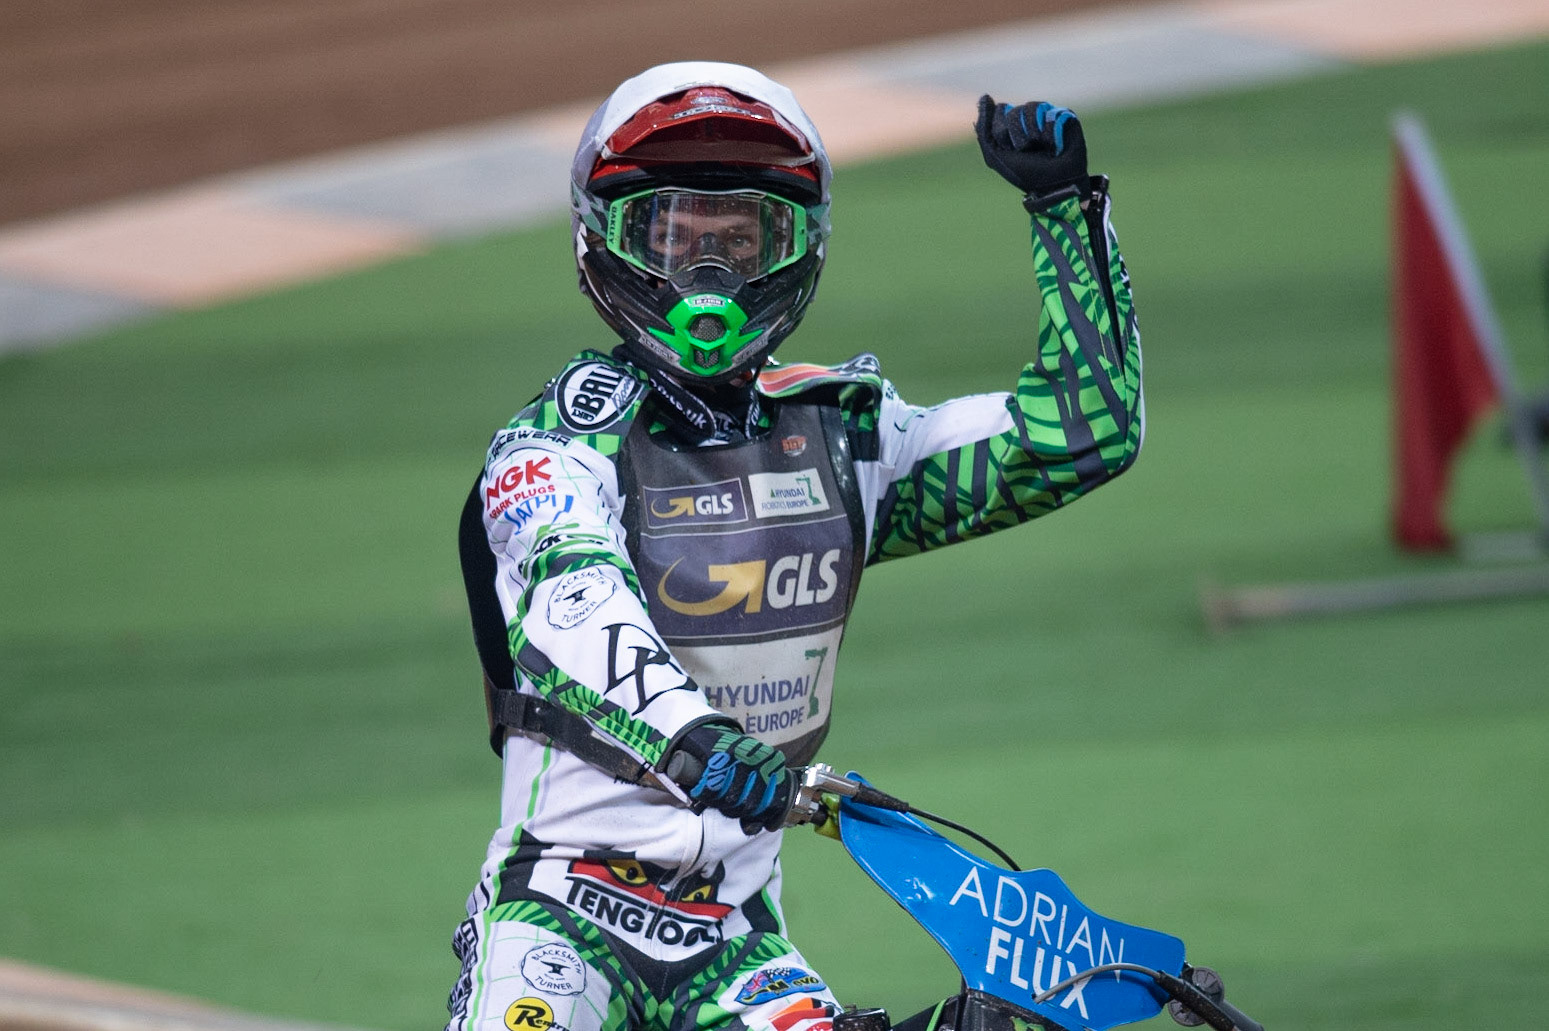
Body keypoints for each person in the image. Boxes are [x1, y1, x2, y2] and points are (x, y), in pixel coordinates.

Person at [450, 61, 1143, 1031]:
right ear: (603, 238)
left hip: (735, 931)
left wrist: (1066, 212)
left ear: (797, 247)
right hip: (558, 911)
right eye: (672, 234)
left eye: (741, 238)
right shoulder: (553, 449)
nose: (707, 274)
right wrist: (698, 742)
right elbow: (578, 607)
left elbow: (1081, 436)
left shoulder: (846, 438)